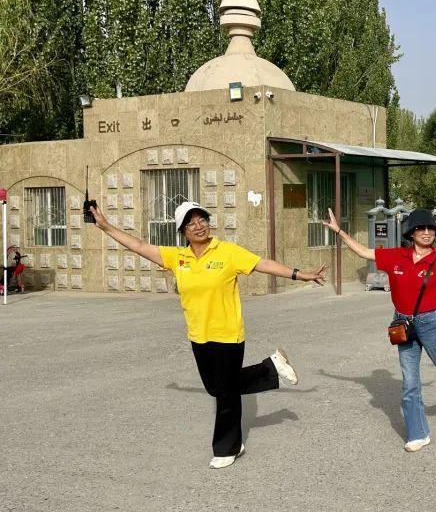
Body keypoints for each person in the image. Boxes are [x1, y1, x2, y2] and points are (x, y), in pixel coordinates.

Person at [89, 200, 326, 469]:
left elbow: (262, 264)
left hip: (227, 334)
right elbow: (140, 246)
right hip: (198, 335)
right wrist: (106, 226)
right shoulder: (178, 257)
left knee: (226, 394)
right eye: (190, 223)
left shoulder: (227, 251)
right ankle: (271, 368)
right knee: (216, 388)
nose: (198, 226)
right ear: (182, 230)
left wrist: (299, 275)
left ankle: (228, 448)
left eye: (202, 219)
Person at [324, 206, 436, 452]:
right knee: (410, 383)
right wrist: (339, 231)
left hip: (430, 323)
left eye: (431, 229)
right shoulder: (396, 256)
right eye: (421, 228)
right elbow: (364, 251)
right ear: (411, 232)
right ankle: (418, 433)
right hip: (403, 324)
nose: (427, 232)